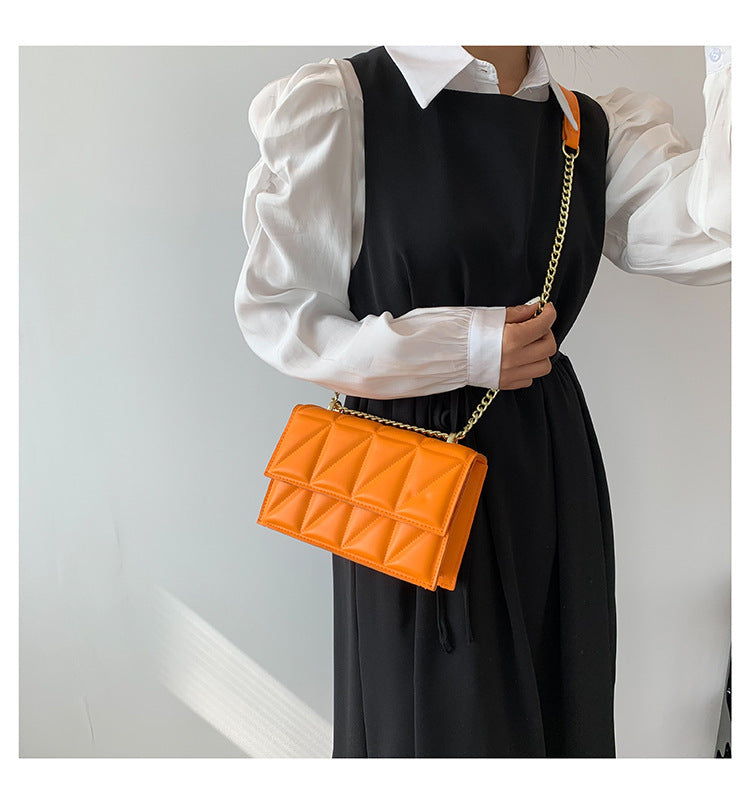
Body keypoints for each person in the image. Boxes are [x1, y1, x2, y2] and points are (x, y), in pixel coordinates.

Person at [233, 45, 731, 757]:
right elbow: (279, 313)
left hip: (545, 464)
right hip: (410, 481)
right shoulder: (344, 103)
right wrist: (462, 347)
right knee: (436, 728)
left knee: (560, 708)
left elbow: (719, 227)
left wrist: (730, 51)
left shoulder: (589, 127)